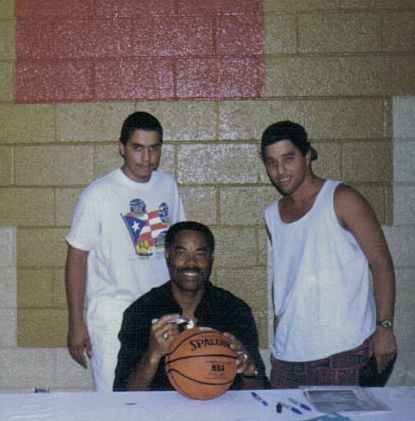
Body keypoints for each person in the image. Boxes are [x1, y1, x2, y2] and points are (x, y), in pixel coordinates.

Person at [260, 120, 397, 388]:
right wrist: (279, 326)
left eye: (288, 159)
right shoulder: (272, 213)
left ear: (308, 154)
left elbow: (381, 263)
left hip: (342, 353)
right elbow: (286, 276)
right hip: (288, 355)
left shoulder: (341, 198)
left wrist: (385, 327)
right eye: (271, 162)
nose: (280, 170)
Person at [65, 111, 186, 391]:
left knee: (162, 400)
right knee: (115, 404)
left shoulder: (167, 186)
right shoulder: (98, 194)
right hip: (113, 318)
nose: (146, 157)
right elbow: (76, 259)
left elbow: (178, 247)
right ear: (121, 147)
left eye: (154, 148)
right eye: (137, 148)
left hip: (160, 315)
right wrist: (75, 323)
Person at [113, 221, 269, 391]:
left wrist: (247, 369)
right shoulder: (141, 311)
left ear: (211, 259)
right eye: (182, 253)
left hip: (221, 411)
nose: (191, 263)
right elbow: (125, 394)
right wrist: (153, 355)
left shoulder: (234, 309)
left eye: (200, 254)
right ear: (167, 255)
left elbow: (261, 391)